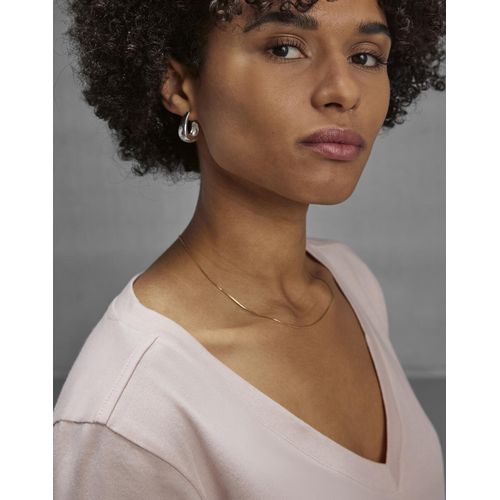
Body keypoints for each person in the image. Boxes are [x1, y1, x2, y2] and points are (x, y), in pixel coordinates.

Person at [54, 0, 445, 498]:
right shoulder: (129, 415)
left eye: (365, 57)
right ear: (179, 86)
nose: (344, 91)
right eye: (284, 49)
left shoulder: (350, 282)